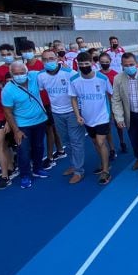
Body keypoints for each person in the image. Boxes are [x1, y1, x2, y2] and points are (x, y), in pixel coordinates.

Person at [2, 61, 51, 190]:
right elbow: (7, 111)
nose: (19, 76)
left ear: (27, 71)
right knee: (23, 150)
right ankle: (25, 175)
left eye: (22, 73)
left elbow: (49, 71)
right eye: (16, 74)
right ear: (11, 74)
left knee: (39, 146)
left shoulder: (35, 76)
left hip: (40, 120)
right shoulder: (8, 90)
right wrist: (16, 130)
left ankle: (37, 168)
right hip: (22, 125)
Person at [38, 50, 85, 184]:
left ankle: (78, 171)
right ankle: (73, 164)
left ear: (57, 58)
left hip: (72, 112)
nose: (49, 62)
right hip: (56, 113)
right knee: (66, 141)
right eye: (45, 59)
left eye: (51, 58)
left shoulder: (69, 73)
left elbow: (79, 89)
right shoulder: (41, 76)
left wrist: (79, 112)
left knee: (76, 141)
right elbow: (41, 90)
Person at [69, 53, 114, 185]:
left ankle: (106, 170)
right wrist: (78, 115)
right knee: (95, 143)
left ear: (92, 64)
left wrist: (112, 113)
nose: (84, 66)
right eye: (81, 64)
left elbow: (110, 95)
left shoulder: (102, 78)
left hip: (102, 116)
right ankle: (103, 162)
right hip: (87, 118)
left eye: (86, 64)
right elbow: (73, 98)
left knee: (101, 142)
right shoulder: (74, 80)